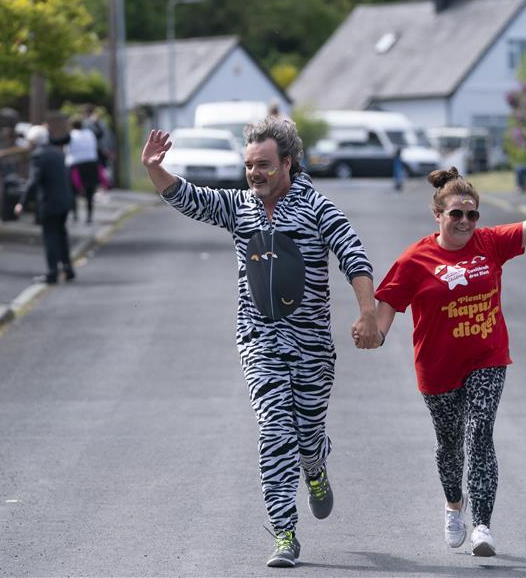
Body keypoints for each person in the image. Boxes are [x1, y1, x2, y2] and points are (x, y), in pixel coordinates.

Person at [140, 116, 380, 568]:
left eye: (264, 165)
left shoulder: (317, 208)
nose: (254, 174)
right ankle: (284, 532)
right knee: (274, 431)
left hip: (311, 346)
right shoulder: (239, 207)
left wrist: (367, 313)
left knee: (307, 434)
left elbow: (354, 256)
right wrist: (155, 168)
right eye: (249, 165)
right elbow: (190, 199)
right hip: (259, 340)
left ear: (287, 162)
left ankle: (315, 466)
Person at [373, 155, 526, 557]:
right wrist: (374, 334)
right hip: (436, 369)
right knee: (449, 446)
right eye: (457, 213)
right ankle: (454, 504)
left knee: (480, 434)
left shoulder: (490, 243)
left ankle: (483, 525)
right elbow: (387, 307)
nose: (466, 222)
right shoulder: (414, 260)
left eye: (473, 214)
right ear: (437, 214)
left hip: (487, 357)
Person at [15, 125, 75, 284]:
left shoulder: (38, 156)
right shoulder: (57, 152)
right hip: (64, 201)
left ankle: (52, 272)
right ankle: (68, 268)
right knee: (61, 235)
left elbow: (34, 181)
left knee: (50, 237)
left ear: (34, 141)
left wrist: (22, 202)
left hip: (50, 202)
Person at [63, 119, 101, 224]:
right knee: (90, 192)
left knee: (73, 191)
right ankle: (89, 217)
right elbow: (100, 134)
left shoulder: (71, 135)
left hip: (75, 166)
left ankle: (75, 215)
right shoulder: (90, 134)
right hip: (91, 164)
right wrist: (96, 122)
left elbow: (59, 142)